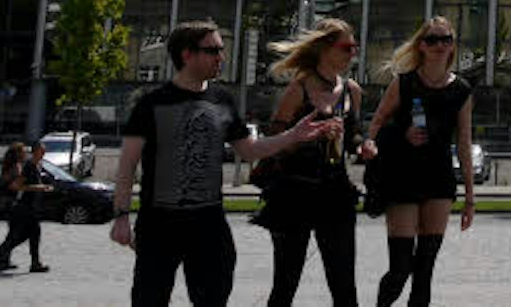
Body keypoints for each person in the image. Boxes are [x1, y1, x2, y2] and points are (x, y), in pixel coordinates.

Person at [109, 19, 334, 307]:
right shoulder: (152, 103)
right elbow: (127, 164)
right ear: (187, 54)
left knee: (214, 296)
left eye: (221, 50)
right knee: (149, 298)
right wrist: (121, 216)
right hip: (159, 223)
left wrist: (293, 136)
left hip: (209, 223)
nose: (221, 57)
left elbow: (250, 150)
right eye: (213, 50)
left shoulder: (222, 99)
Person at [360, 16, 475, 307]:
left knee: (424, 272)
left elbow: (463, 142)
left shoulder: (461, 90)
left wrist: (470, 197)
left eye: (445, 39)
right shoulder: (405, 83)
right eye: (432, 39)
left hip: (439, 180)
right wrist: (396, 135)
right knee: (400, 269)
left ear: (453, 47)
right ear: (421, 46)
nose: (439, 45)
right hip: (402, 177)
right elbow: (376, 125)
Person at [256, 17, 365, 307]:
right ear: (324, 48)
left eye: (355, 47)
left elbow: (354, 138)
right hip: (295, 194)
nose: (352, 53)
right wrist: (308, 137)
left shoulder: (352, 90)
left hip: (336, 193)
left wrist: (364, 145)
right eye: (346, 47)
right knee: (285, 284)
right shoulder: (299, 89)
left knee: (344, 287)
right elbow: (274, 142)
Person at [0, 140, 51, 273]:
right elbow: (15, 186)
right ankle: (4, 253)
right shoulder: (28, 166)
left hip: (28, 206)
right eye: (42, 150)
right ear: (35, 151)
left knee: (25, 234)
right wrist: (39, 188)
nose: (44, 153)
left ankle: (2, 253)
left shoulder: (35, 165)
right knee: (30, 233)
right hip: (24, 206)